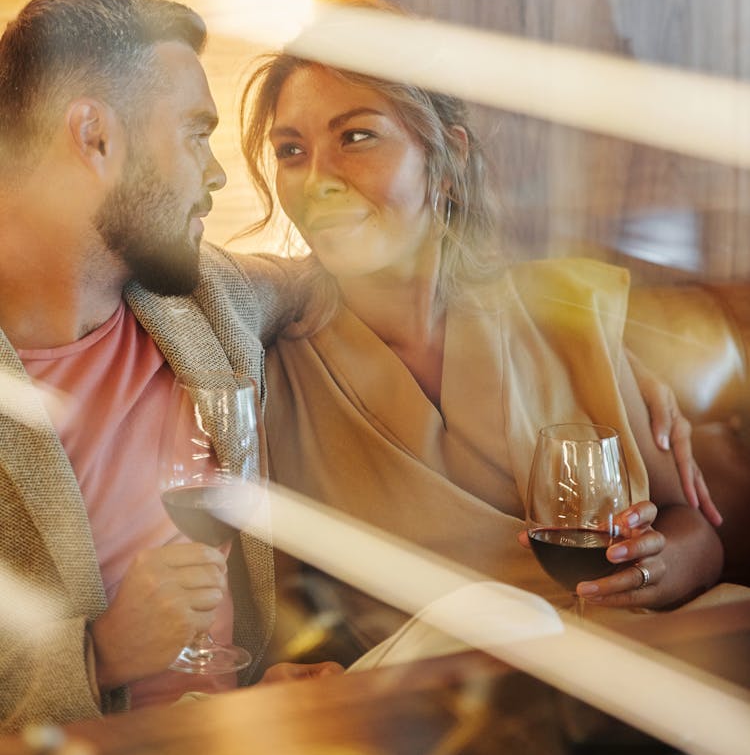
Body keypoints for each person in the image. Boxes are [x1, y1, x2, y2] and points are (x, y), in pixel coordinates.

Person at [239, 45, 725, 654]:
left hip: (628, 666)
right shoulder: (267, 366)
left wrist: (650, 569)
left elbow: (697, 531)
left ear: (447, 160)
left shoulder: (561, 314)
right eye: (291, 152)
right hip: (437, 699)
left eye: (357, 137)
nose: (318, 181)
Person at [0, 0, 340, 733]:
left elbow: (348, 272)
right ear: (94, 137)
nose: (216, 174)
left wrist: (597, 349)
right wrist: (100, 658)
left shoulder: (203, 299)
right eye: (194, 133)